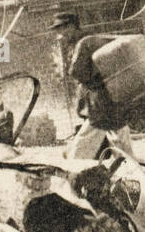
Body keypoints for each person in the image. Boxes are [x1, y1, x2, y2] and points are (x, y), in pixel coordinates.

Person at [51, 11, 136, 159]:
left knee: (82, 148)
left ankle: (72, 175)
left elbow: (77, 72)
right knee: (122, 146)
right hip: (115, 99)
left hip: (100, 104)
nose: (60, 35)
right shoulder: (94, 38)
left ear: (71, 27)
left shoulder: (83, 44)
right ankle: (137, 174)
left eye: (62, 30)